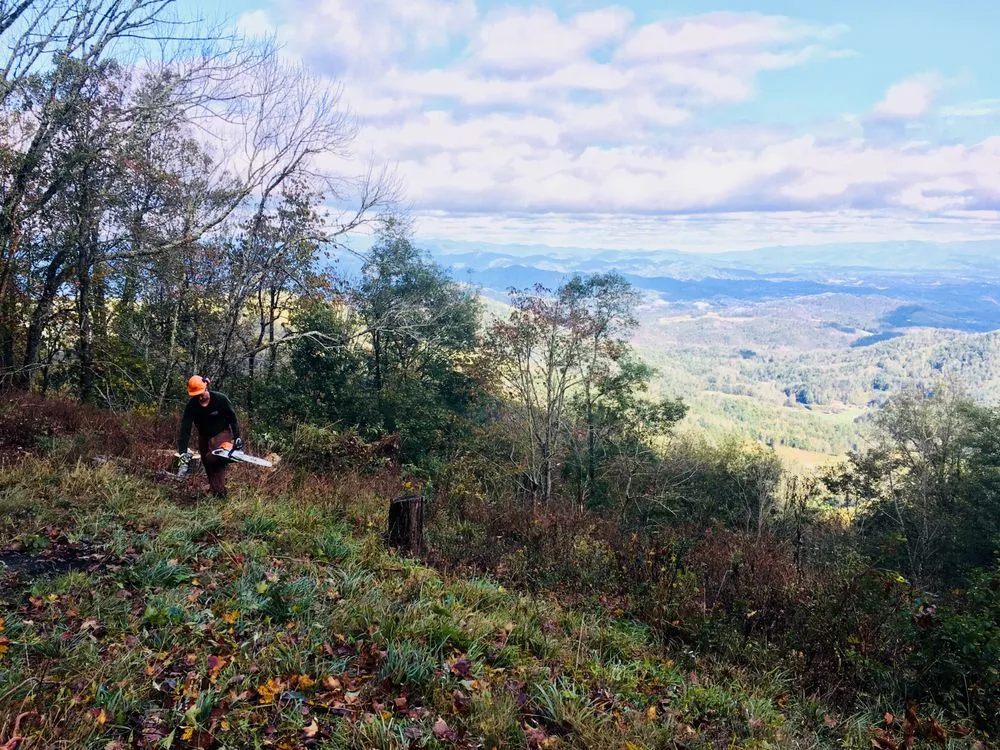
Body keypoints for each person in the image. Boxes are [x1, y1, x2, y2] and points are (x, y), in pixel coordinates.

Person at [175, 375, 243, 498]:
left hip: (222, 432)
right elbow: (185, 428)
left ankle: (226, 459)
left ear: (206, 388)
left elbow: (232, 418)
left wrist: (237, 436)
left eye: (202, 393)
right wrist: (183, 451)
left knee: (214, 457)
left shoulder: (220, 399)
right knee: (207, 462)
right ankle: (217, 493)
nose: (200, 397)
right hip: (204, 435)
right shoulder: (192, 405)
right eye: (196, 395)